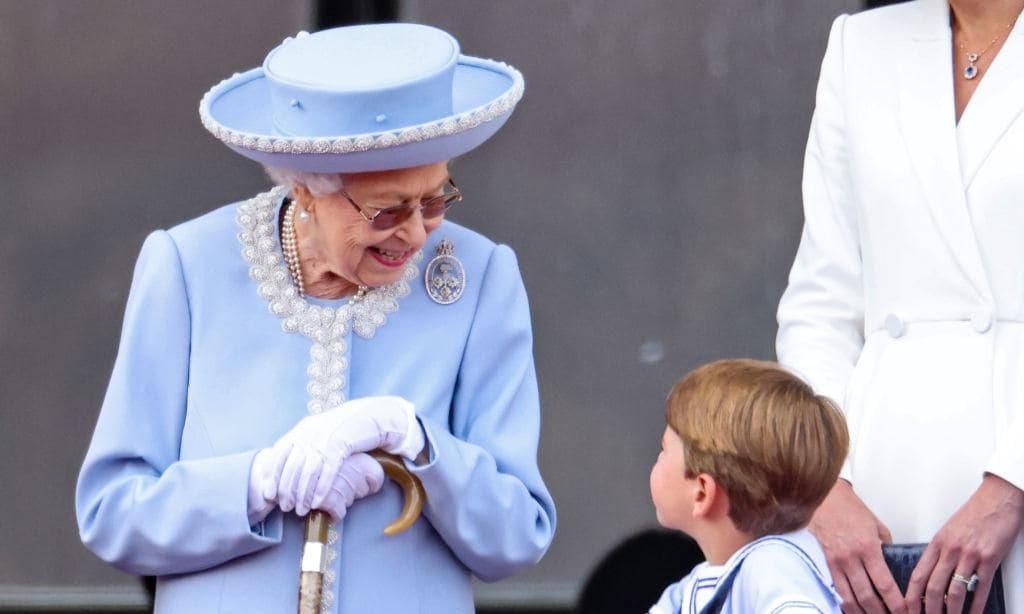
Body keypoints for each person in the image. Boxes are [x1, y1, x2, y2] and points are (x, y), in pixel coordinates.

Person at [75, 23, 555, 613]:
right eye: (387, 212)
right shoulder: (187, 266)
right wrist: (257, 482)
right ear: (305, 191)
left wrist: (417, 441)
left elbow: (517, 536)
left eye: (435, 200)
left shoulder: (481, 277)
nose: (416, 233)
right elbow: (111, 514)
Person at [776, 0, 1024, 612]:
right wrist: (825, 482)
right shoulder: (861, 45)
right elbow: (822, 298)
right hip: (880, 487)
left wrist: (1011, 487)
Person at [648, 359, 847, 613]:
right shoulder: (695, 585)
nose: (657, 459)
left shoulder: (773, 566)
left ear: (702, 492)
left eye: (663, 450)